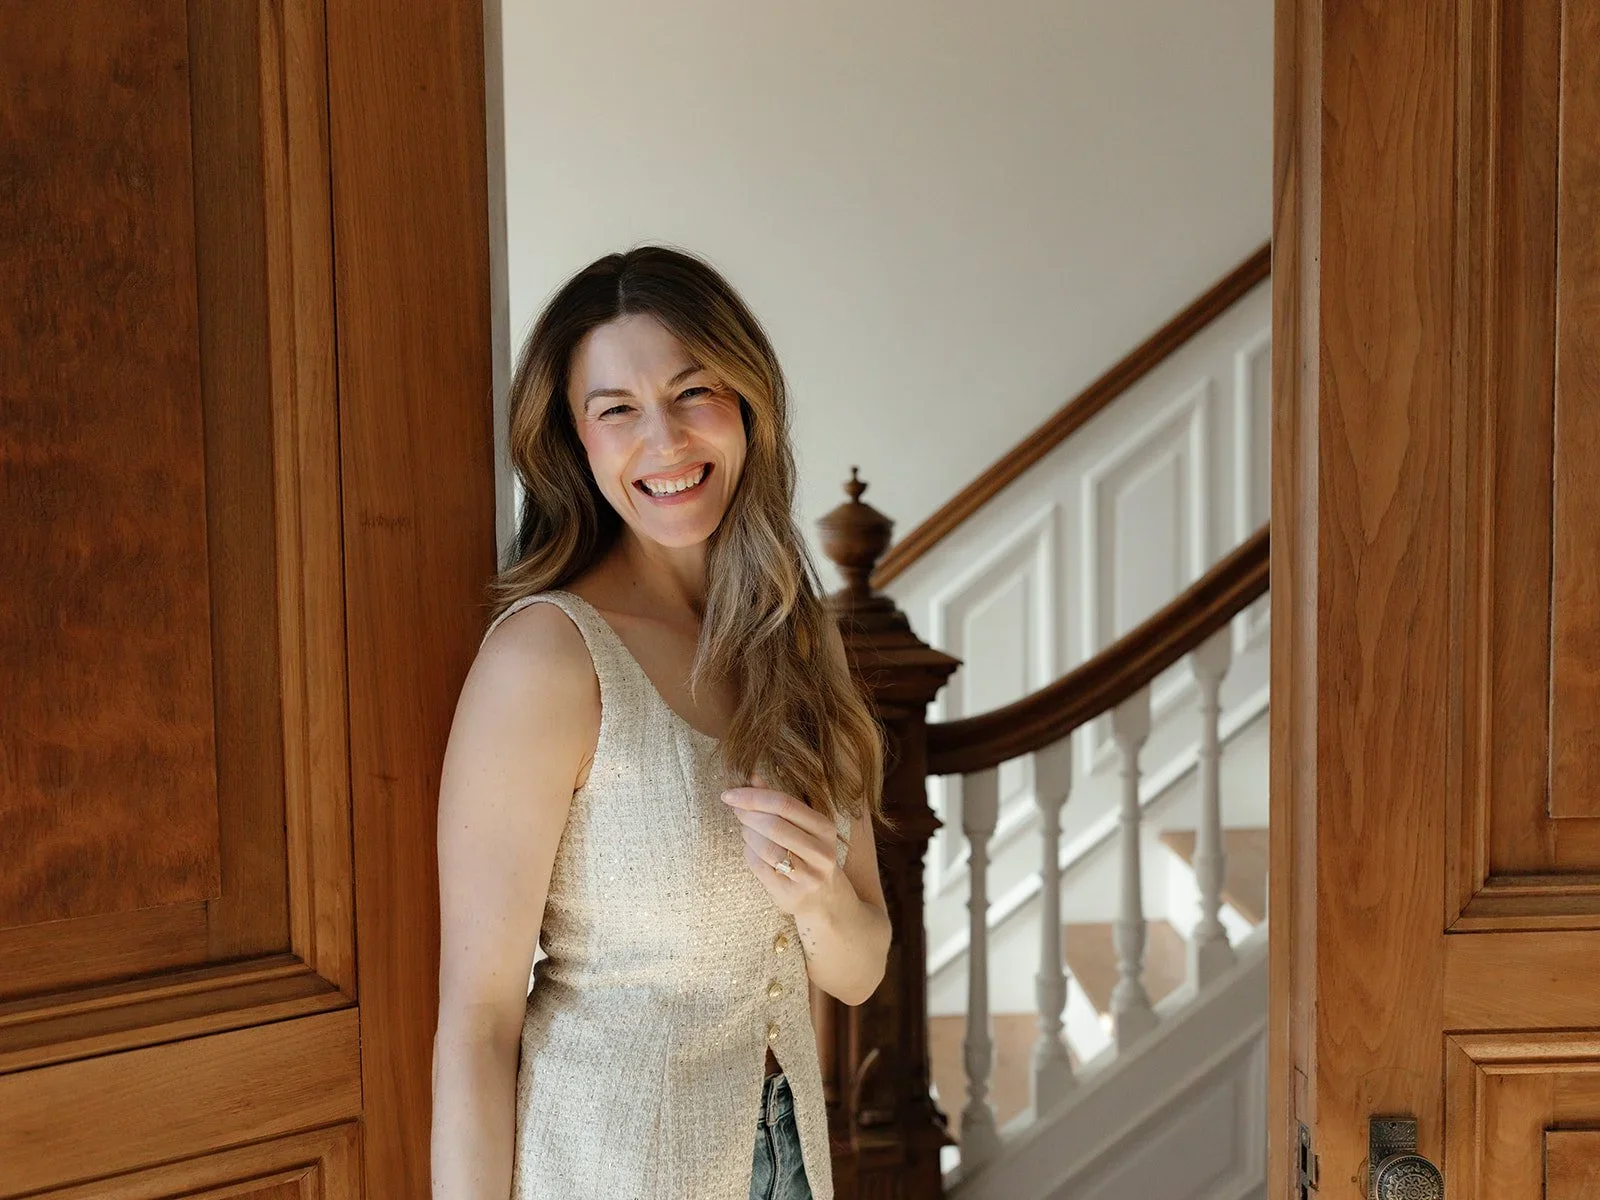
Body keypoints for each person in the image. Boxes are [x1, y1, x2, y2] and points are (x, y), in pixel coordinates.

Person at [430, 245, 894, 1200]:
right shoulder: (548, 661)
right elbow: (477, 1023)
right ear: (575, 443)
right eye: (618, 411)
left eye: (694, 393)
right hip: (605, 1169)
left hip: (790, 1163)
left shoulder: (800, 646)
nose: (667, 442)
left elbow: (857, 971)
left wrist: (817, 900)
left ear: (749, 403)